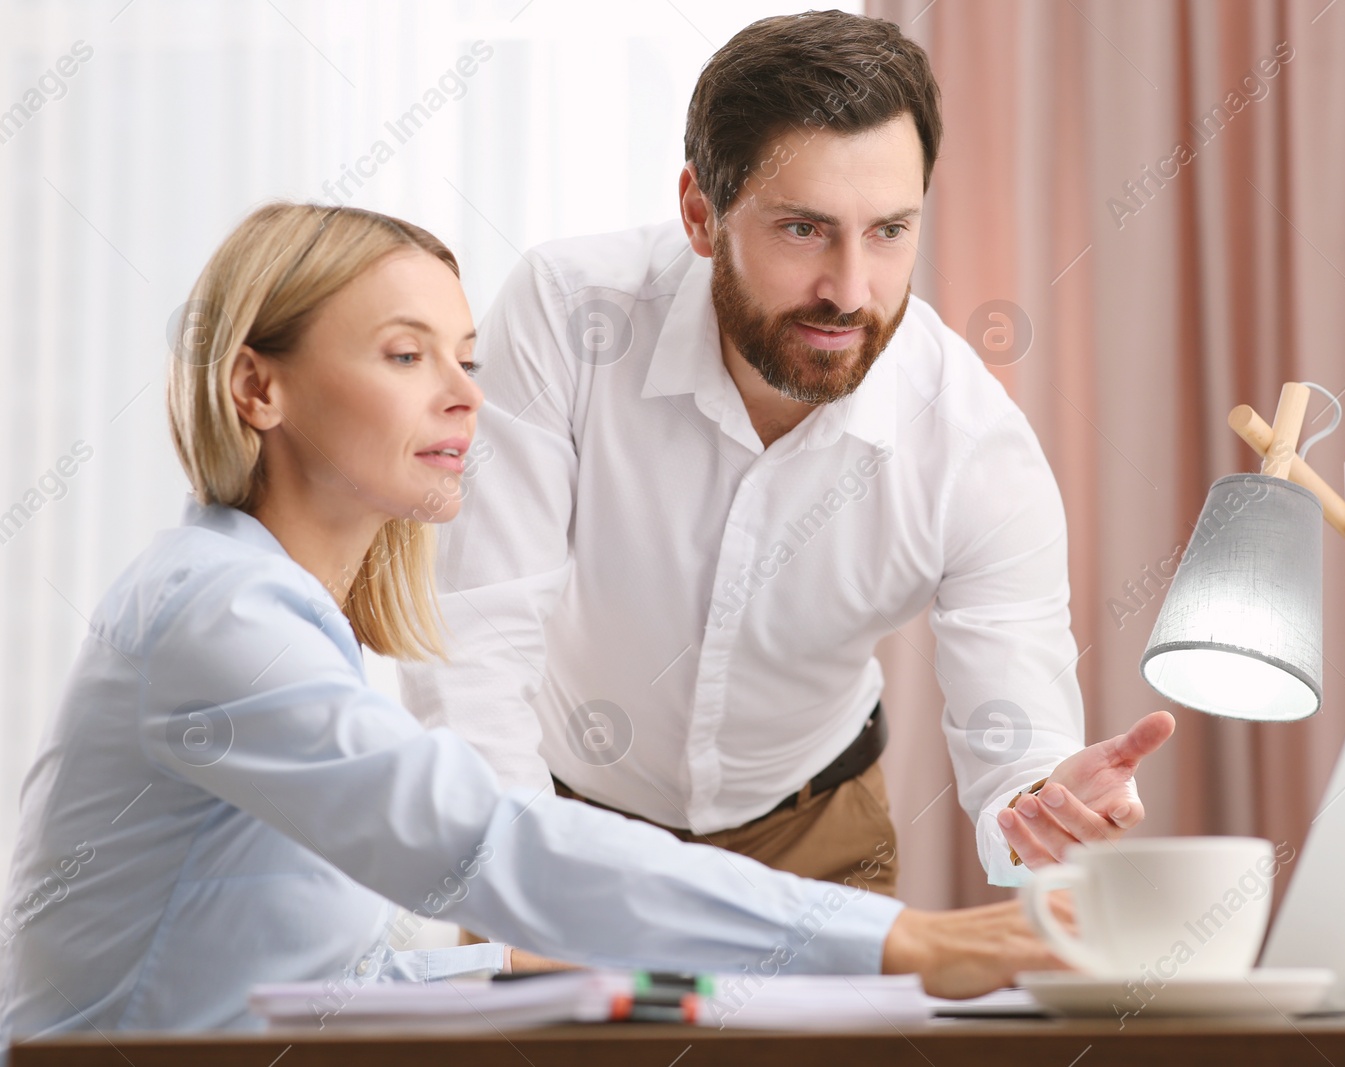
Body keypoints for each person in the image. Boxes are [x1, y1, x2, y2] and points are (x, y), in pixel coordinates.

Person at [0, 203, 1071, 1048]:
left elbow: (311, 969)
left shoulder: (269, 608)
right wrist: (906, 936)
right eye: (406, 353)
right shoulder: (223, 616)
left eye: (467, 355)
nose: (468, 394)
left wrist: (534, 974)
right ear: (257, 386)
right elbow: (481, 841)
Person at [399, 9, 1175, 900]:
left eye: (889, 231)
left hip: (820, 832)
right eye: (804, 229)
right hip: (567, 818)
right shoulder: (569, 315)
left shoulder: (973, 447)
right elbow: (477, 627)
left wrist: (1042, 808)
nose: (850, 291)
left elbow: (1019, 746)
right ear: (701, 212)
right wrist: (513, 885)